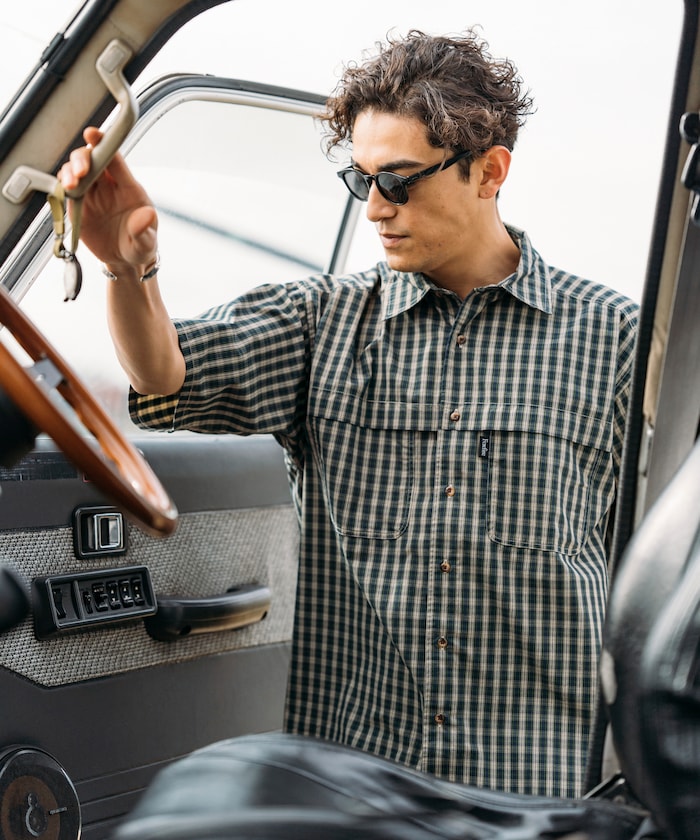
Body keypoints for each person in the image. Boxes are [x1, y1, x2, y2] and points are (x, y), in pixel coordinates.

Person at [59, 28, 638, 798]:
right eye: (358, 181)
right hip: (360, 782)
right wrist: (129, 272)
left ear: (489, 171)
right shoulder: (321, 324)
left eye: (397, 182)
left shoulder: (616, 337)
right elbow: (168, 371)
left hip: (543, 789)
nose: (373, 210)